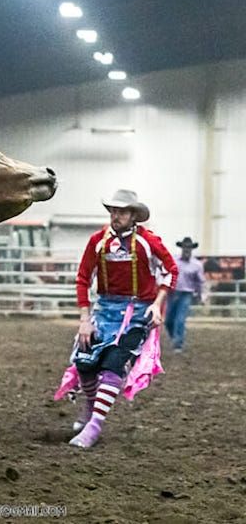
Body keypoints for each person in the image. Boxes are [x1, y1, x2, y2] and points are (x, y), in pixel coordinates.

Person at [67, 189, 177, 448]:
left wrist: (157, 304)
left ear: (133, 216)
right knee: (84, 362)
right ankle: (91, 404)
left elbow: (171, 270)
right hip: (104, 311)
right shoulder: (98, 241)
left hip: (137, 313)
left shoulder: (148, 242)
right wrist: (85, 319)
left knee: (113, 365)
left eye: (122, 212)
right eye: (113, 211)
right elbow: (83, 278)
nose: (116, 216)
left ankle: (95, 425)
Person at [164, 237, 206, 353]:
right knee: (168, 320)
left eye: (189, 247)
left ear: (192, 249)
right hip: (172, 293)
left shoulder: (197, 265)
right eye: (185, 247)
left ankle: (178, 343)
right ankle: (175, 338)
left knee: (180, 319)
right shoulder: (173, 260)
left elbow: (200, 282)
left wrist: (201, 295)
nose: (187, 249)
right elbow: (166, 273)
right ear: (182, 248)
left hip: (186, 294)